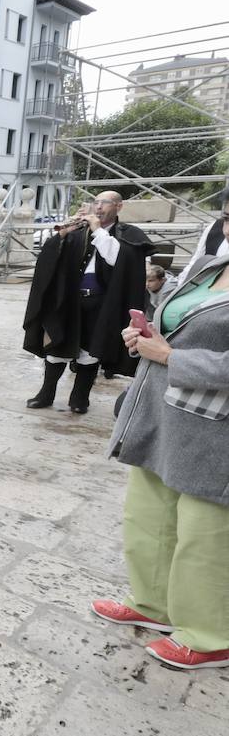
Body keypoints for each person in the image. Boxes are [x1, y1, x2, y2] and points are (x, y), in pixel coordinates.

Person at [92, 235, 229, 670]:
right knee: (148, 513)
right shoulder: (209, 264)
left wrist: (171, 357)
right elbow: (173, 321)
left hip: (215, 424)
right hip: (161, 408)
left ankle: (210, 636)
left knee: (204, 534)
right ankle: (152, 603)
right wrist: (146, 333)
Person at [23, 192, 152, 414]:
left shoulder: (128, 234)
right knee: (56, 345)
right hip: (70, 299)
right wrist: (62, 236)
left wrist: (98, 230)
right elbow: (51, 260)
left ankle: (80, 397)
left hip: (101, 302)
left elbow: (118, 260)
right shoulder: (79, 231)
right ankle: (46, 392)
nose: (98, 207)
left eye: (104, 203)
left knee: (90, 351)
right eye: (96, 202)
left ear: (118, 206)